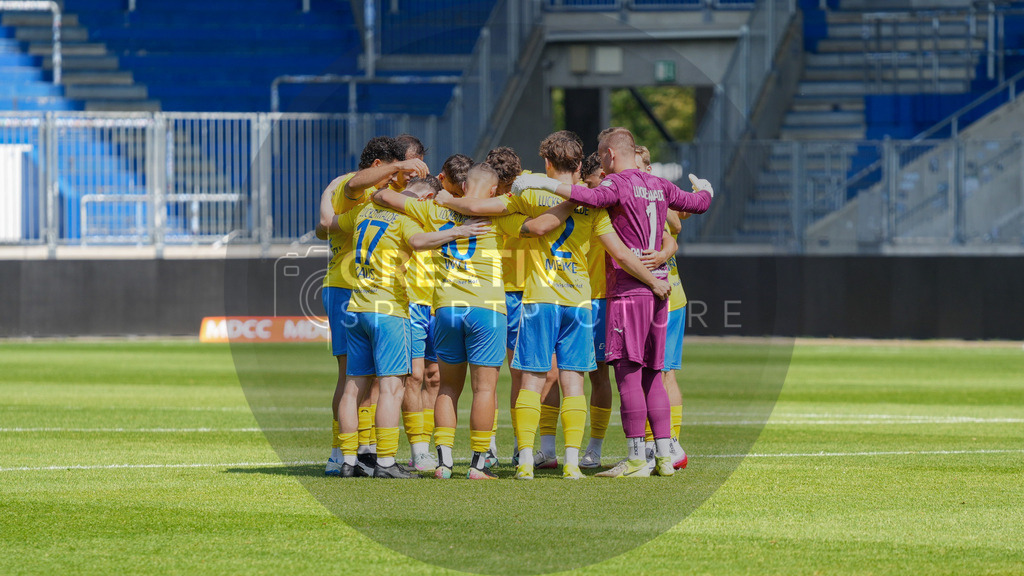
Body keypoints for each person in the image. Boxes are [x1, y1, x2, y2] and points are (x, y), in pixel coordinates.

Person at [437, 130, 673, 481]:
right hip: (578, 302)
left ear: (546, 163)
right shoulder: (594, 203)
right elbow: (621, 253)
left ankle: (527, 461)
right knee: (574, 382)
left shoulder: (528, 193)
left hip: (538, 299)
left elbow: (476, 207)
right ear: (579, 165)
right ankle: (574, 463)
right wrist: (654, 280)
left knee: (532, 380)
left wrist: (444, 200)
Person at [513, 127, 714, 478]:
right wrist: (707, 190)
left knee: (628, 375)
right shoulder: (659, 184)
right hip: (660, 290)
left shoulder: (617, 184)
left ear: (609, 155)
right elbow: (696, 205)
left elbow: (587, 198)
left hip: (628, 290)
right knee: (654, 374)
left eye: (602, 156)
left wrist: (542, 185)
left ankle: (637, 457)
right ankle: (664, 457)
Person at [375, 166, 570, 479]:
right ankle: (479, 466)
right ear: (493, 192)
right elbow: (538, 227)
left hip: (446, 309)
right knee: (484, 390)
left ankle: (444, 463)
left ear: (462, 186)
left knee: (447, 388)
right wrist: (576, 199)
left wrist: (408, 180)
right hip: (487, 310)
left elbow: (382, 195)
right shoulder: (499, 215)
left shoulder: (433, 209)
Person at [334, 181, 488, 479]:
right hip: (390, 310)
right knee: (392, 388)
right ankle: (386, 463)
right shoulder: (404, 220)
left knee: (352, 389)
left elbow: (328, 224)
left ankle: (348, 461)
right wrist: (458, 231)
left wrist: (330, 194)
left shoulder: (364, 211)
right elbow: (418, 242)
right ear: (425, 198)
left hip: (356, 309)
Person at [316, 136, 426, 476]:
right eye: (394, 171)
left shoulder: (374, 195)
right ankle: (341, 452)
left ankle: (363, 451)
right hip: (347, 287)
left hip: (368, 290)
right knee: (351, 375)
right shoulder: (356, 188)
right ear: (380, 166)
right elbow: (343, 198)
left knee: (374, 379)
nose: (397, 180)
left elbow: (324, 226)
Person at [484, 147, 561, 469]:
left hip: (524, 289)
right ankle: (491, 445)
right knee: (489, 374)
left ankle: (523, 444)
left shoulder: (529, 188)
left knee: (525, 373)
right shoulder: (528, 186)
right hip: (498, 290)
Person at [392, 135, 438, 471]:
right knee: (413, 376)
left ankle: (434, 446)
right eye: (410, 164)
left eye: (419, 163)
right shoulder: (390, 199)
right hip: (410, 299)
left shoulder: (442, 198)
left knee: (435, 377)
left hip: (442, 301)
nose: (415, 171)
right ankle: (419, 448)